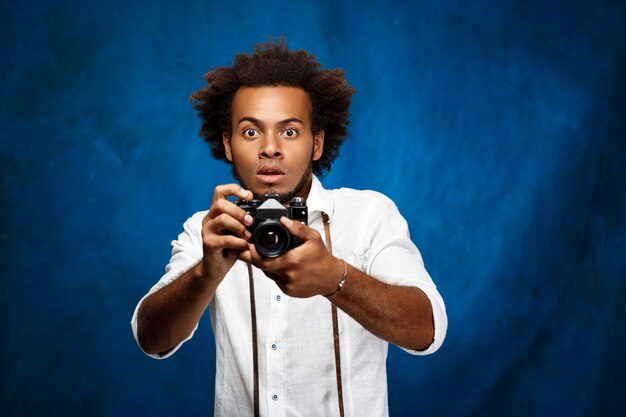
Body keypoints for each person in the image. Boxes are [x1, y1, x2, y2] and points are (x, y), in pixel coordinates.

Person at [131, 39, 447, 417]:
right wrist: (205, 273)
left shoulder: (368, 215)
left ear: (317, 143)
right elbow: (151, 339)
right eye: (251, 132)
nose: (270, 148)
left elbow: (428, 330)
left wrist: (335, 278)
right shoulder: (208, 229)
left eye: (290, 132)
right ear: (228, 145)